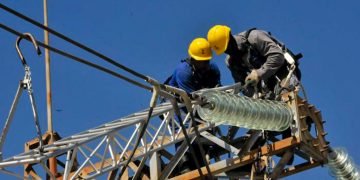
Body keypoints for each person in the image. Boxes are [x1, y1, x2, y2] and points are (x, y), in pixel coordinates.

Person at [165, 37, 221, 173]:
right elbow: (192, 101)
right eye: (202, 62)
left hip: (199, 103)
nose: (205, 65)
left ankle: (201, 159)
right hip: (176, 105)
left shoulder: (212, 70)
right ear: (193, 60)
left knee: (204, 130)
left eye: (207, 61)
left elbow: (218, 92)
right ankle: (185, 163)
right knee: (185, 129)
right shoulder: (184, 72)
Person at [207, 25, 301, 98]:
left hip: (283, 74)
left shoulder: (254, 37)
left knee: (286, 101)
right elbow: (243, 86)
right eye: (225, 50)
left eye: (228, 47)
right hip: (265, 87)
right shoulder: (231, 62)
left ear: (231, 38)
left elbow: (277, 56)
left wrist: (258, 73)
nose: (229, 51)